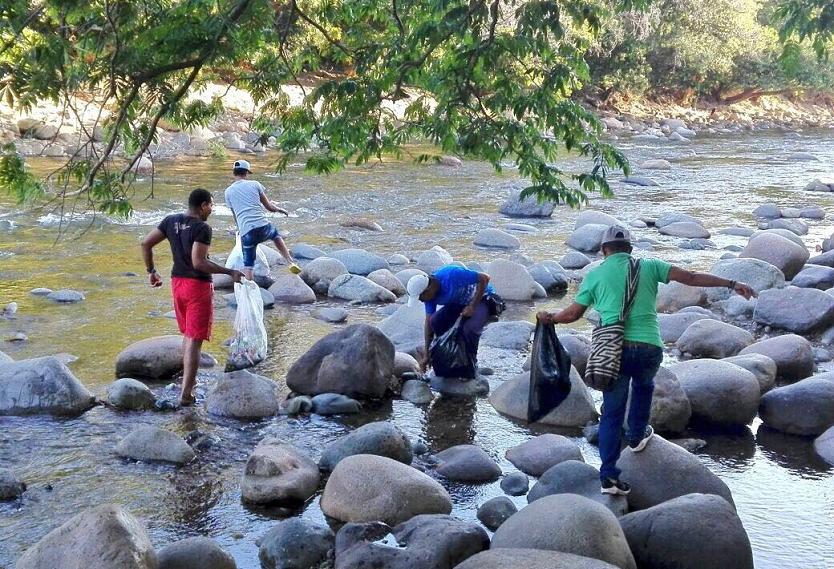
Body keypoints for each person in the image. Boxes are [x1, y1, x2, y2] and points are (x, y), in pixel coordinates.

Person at [537, 226, 756, 496]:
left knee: (612, 411)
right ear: (630, 249)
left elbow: (572, 314)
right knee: (644, 387)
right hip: (648, 345)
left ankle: (608, 478)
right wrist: (732, 284)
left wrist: (551, 318)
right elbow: (691, 277)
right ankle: (638, 436)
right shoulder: (650, 266)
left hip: (612, 349)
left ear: (604, 251)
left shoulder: (594, 275)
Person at [140, 188, 244, 406]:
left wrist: (151, 271)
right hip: (197, 287)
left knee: (188, 336)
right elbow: (199, 263)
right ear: (204, 205)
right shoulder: (202, 228)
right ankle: (186, 394)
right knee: (195, 341)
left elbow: (146, 243)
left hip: (177, 284)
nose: (212, 209)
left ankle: (188, 384)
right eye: (211, 205)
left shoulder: (170, 221)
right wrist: (229, 272)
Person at [407, 265, 500, 378]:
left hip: (484, 298)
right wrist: (427, 354)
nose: (421, 301)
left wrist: (472, 306)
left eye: (420, 298)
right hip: (460, 304)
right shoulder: (430, 297)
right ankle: (451, 358)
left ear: (428, 290)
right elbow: (429, 323)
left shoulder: (452, 275)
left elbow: (485, 278)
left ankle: (471, 364)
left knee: (470, 328)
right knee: (436, 321)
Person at [223, 159, 299, 279]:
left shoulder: (228, 192)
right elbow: (269, 207)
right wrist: (280, 210)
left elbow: (235, 215)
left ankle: (250, 288)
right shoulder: (255, 184)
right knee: (276, 235)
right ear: (246, 173)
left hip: (247, 232)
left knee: (248, 264)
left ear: (234, 173)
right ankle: (290, 262)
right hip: (262, 226)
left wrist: (240, 230)